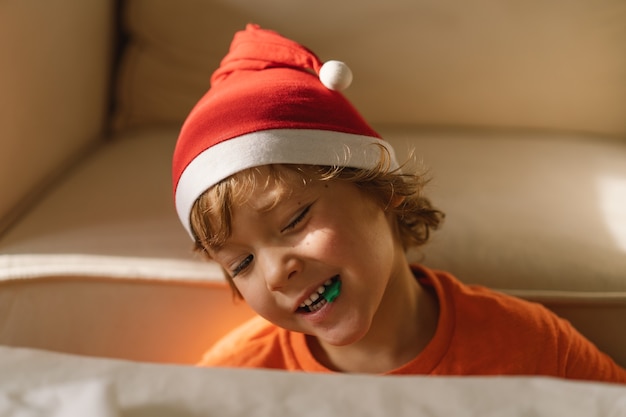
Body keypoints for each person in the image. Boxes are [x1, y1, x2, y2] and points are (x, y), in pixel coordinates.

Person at [172, 24, 626, 382]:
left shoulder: (532, 346)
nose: (275, 272)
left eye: (295, 219)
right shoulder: (235, 378)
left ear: (384, 192)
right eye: (242, 262)